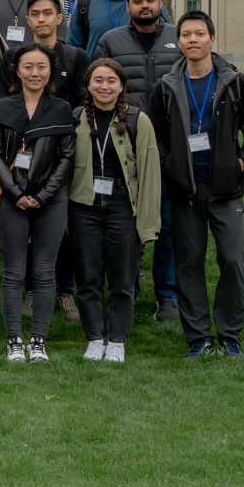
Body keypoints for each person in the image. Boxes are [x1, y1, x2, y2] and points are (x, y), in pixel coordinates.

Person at [148, 11, 244, 359]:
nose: (193, 40)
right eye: (186, 35)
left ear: (212, 39)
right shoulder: (166, 86)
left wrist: (242, 162)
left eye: (200, 34)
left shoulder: (235, 82)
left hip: (226, 191)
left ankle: (230, 335)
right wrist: (171, 167)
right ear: (179, 41)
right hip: (185, 190)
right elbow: (157, 135)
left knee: (232, 261)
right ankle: (198, 337)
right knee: (188, 263)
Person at [90, 0, 179, 318]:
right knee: (126, 223)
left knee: (167, 224)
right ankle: (127, 289)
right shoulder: (111, 41)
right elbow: (96, 85)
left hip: (169, 146)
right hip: (123, 145)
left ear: (160, 4)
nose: (144, 5)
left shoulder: (177, 39)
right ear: (127, 6)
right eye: (137, 1)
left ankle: (167, 296)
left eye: (150, 0)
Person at [0, 43, 76, 363]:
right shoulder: (2, 107)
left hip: (50, 202)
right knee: (12, 273)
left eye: (41, 66)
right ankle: (15, 340)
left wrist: (42, 195)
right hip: (13, 200)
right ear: (17, 70)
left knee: (43, 272)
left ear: (50, 70)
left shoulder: (61, 108)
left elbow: (67, 157)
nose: (34, 72)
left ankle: (38, 341)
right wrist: (15, 193)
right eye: (28, 66)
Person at [70, 59, 161, 362]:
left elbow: (150, 174)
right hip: (85, 208)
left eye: (111, 80)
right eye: (98, 80)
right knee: (87, 278)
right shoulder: (76, 118)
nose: (104, 86)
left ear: (121, 85)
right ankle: (95, 337)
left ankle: (118, 339)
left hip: (124, 207)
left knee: (123, 279)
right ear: (88, 84)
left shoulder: (138, 120)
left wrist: (147, 223)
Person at [26, 0, 89, 108]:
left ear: (59, 18)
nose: (41, 19)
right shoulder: (14, 57)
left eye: (47, 13)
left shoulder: (76, 58)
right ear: (28, 20)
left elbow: (82, 105)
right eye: (35, 14)